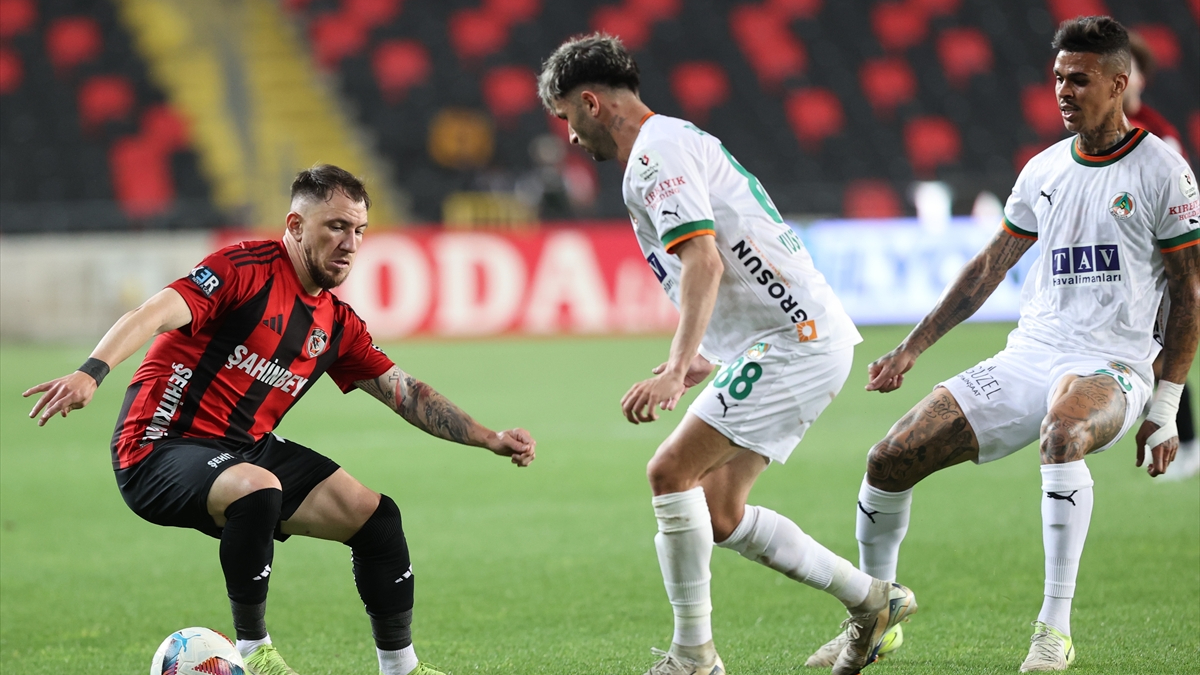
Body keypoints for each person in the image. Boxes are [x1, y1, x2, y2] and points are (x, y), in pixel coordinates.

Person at [23, 165, 537, 675]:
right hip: (158, 446)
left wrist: (488, 437)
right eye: (336, 226)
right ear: (295, 226)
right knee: (258, 487)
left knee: (376, 518)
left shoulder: (337, 323)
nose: (350, 244)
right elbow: (152, 313)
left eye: (359, 230)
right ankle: (254, 652)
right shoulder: (242, 270)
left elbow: (405, 393)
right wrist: (91, 372)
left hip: (243, 447)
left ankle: (402, 669)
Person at [803, 16, 1199, 673]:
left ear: (1118, 84)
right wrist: (912, 347)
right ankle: (873, 617)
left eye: (1080, 79)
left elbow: (1188, 293)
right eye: (1058, 78)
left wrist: (1165, 406)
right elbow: (990, 265)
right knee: (889, 458)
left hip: (1113, 363)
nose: (1064, 91)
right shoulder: (1044, 169)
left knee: (1063, 433)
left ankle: (1054, 630)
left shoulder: (1164, 171)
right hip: (1030, 355)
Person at [538, 34, 916, 675]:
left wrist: (675, 366)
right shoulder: (672, 141)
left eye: (566, 116)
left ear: (591, 103)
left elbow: (705, 261)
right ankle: (873, 601)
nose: (569, 135)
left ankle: (693, 656)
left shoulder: (655, 155)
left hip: (796, 340)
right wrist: (708, 357)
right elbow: (738, 254)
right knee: (718, 512)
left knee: (668, 473)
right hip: (792, 336)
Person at [1123, 30, 1199, 480]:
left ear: (1139, 78)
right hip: (1126, 264)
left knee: (1162, 354)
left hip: (1158, 264)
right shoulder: (1097, 133)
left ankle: (1183, 441)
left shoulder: (1157, 135)